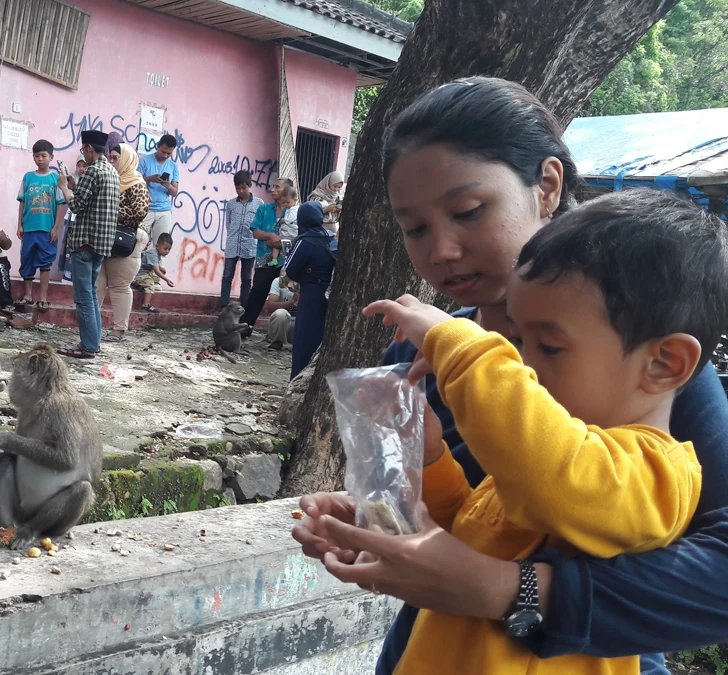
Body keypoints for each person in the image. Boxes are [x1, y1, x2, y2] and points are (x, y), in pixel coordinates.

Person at [290, 77, 728, 675]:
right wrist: (383, 531)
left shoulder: (642, 369)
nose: (440, 249)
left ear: (547, 186)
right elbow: (471, 526)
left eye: (468, 211)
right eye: (414, 227)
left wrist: (509, 589)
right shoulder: (425, 357)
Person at [360, 187, 719, 675]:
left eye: (547, 347)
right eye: (518, 341)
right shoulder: (555, 451)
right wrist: (432, 461)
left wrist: (462, 344)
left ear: (663, 363)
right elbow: (474, 530)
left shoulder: (656, 474)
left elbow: (555, 478)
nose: (523, 368)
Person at [56, 129, 118, 359]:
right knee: (91, 295)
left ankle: (89, 346)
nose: (84, 154)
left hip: (85, 242)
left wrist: (64, 187)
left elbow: (76, 206)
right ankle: (94, 342)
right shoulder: (111, 171)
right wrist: (74, 186)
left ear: (90, 149)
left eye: (84, 150)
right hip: (102, 244)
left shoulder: (92, 171)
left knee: (83, 297)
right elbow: (89, 200)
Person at [96, 143, 150, 341]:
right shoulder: (110, 180)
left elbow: (138, 213)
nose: (111, 161)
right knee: (97, 284)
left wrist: (109, 209)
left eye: (115, 157)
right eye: (109, 157)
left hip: (126, 241)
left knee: (119, 286)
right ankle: (92, 326)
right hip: (104, 238)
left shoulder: (136, 183)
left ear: (126, 159)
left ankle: (119, 330)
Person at [283, 202, 337, 379]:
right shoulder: (331, 237)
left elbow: (290, 269)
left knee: (304, 340)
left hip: (310, 294)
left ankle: (298, 379)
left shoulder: (305, 241)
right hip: (329, 295)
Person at [240, 178, 298, 327]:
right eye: (272, 186)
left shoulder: (294, 211)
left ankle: (284, 330)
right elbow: (255, 232)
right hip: (265, 259)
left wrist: (282, 242)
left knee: (288, 292)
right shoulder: (264, 209)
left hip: (287, 259)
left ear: (287, 190)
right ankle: (245, 327)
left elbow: (300, 234)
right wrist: (271, 236)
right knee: (257, 292)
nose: (272, 189)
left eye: (277, 187)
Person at [17, 139, 67, 310]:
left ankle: (43, 297)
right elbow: (22, 202)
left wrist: (56, 227)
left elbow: (61, 204)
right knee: (27, 260)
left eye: (43, 156)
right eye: (37, 156)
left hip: (47, 229)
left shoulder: (56, 179)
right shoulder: (28, 177)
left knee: (45, 263)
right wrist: (19, 225)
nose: (40, 159)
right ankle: (28, 295)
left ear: (51, 157)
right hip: (29, 227)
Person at [221, 169, 261, 309]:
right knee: (227, 276)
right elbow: (228, 223)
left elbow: (259, 224)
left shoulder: (258, 203)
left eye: (243, 187)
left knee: (246, 278)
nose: (240, 191)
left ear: (250, 185)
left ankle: (244, 306)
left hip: (249, 245)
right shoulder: (231, 204)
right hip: (232, 244)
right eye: (238, 188)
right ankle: (224, 306)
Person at [139, 134, 180, 244]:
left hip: (164, 211)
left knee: (160, 247)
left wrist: (169, 186)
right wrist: (150, 179)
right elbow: (136, 184)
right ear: (158, 146)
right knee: (139, 243)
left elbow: (175, 192)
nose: (166, 156)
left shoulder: (173, 166)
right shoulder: (144, 161)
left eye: (169, 153)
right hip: (145, 209)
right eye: (164, 152)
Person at [58, 157, 88, 281]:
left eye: (84, 166)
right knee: (69, 247)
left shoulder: (89, 181)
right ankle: (67, 275)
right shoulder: (72, 179)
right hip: (71, 218)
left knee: (79, 249)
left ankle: (77, 277)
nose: (81, 168)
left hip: (82, 221)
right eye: (79, 165)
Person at [135, 233, 175, 313]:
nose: (167, 251)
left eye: (169, 249)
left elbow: (154, 265)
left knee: (156, 278)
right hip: (139, 274)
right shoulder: (153, 254)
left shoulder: (157, 253)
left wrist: (161, 269)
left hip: (145, 272)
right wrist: (167, 280)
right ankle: (146, 305)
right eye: (165, 248)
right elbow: (156, 271)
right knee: (150, 285)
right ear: (157, 246)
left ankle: (138, 284)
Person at [263, 276, 298, 350]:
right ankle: (277, 343)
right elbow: (270, 307)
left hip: (299, 324)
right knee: (281, 313)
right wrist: (293, 301)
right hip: (281, 324)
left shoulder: (311, 283)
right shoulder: (279, 281)